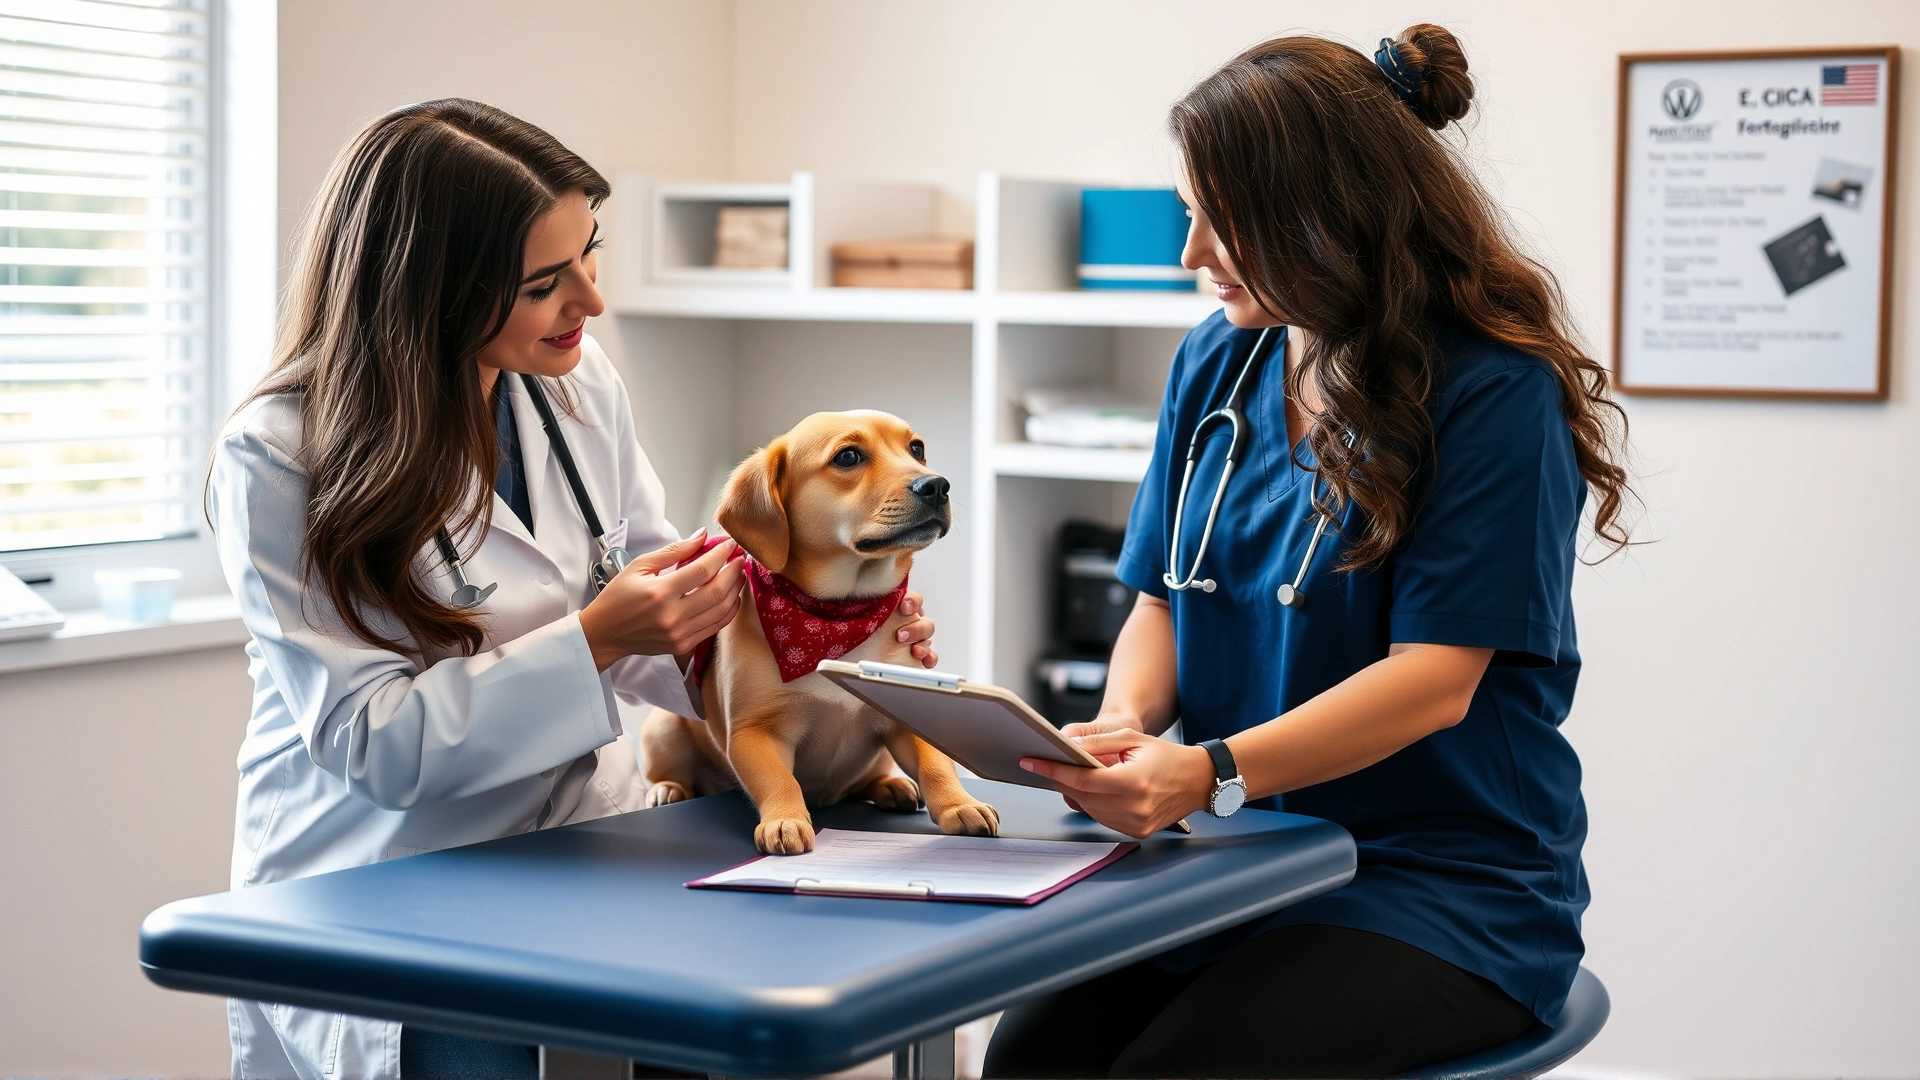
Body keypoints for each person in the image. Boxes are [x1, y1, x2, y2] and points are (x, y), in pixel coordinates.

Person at [207, 100, 940, 1080]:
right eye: (546, 284)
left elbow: (673, 604)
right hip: (385, 882)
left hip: (585, 849)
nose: (590, 303)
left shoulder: (574, 383)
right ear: (429, 293)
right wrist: (595, 638)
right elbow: (369, 744)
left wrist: (824, 638)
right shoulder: (279, 456)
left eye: (589, 255)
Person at [988, 25, 1632, 1080]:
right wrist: (1120, 726)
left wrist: (1206, 773)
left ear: (1326, 215)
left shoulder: (1490, 390)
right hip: (1238, 862)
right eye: (1192, 217)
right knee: (1029, 1057)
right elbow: (1159, 594)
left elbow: (1434, 683)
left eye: (1222, 224)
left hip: (1436, 885)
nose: (1190, 257)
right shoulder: (1217, 361)